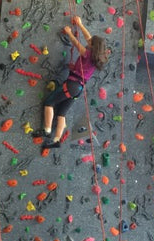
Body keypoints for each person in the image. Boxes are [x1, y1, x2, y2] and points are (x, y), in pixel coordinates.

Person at [31, 15, 110, 149]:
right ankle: (56, 140)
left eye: (90, 43)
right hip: (78, 89)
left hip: (72, 84)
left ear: (93, 46)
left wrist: (69, 32)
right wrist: (80, 24)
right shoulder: (97, 58)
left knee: (49, 102)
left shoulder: (88, 53)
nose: (88, 42)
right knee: (61, 113)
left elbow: (77, 44)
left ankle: (47, 130)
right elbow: (89, 38)